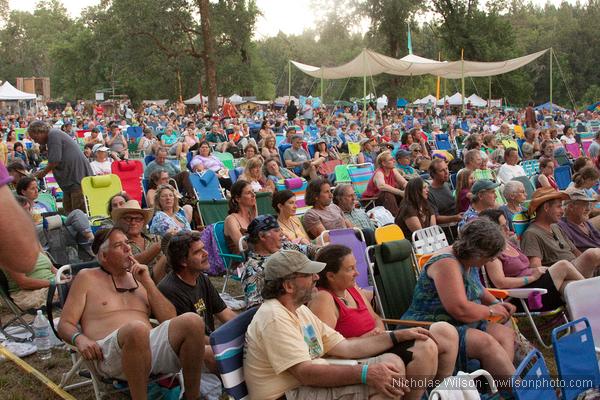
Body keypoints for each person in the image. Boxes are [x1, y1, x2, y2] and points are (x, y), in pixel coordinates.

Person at [244, 249, 440, 400]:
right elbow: (305, 373)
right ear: (288, 286)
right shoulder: (274, 317)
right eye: (308, 274)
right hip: (287, 394)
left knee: (391, 365)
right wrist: (365, 373)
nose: (316, 277)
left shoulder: (298, 309)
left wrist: (396, 336)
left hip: (304, 384)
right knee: (382, 383)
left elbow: (344, 346)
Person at [57, 228, 204, 400]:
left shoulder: (138, 279)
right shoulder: (87, 278)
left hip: (148, 349)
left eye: (128, 243)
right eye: (119, 245)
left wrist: (148, 283)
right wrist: (79, 339)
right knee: (137, 329)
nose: (128, 249)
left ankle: (191, 397)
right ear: (104, 256)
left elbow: (170, 319)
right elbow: (64, 324)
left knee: (193, 321)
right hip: (108, 355)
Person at [309, 244, 458, 382]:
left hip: (380, 343)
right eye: (350, 269)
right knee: (425, 348)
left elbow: (376, 318)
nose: (357, 273)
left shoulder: (351, 289)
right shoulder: (324, 299)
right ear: (331, 276)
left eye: (355, 266)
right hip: (359, 355)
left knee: (446, 331)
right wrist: (362, 339)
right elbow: (324, 349)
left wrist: (378, 330)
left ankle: (441, 391)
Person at [402, 219, 516, 377]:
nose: (492, 260)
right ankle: (515, 388)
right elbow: (459, 309)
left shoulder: (468, 259)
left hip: (459, 322)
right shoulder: (446, 263)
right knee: (486, 343)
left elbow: (476, 287)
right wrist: (490, 311)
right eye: (490, 257)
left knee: (506, 335)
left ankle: (497, 386)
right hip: (434, 324)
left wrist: (496, 303)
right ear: (479, 252)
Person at [158, 230, 236, 373]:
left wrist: (246, 331)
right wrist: (225, 344)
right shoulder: (169, 289)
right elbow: (190, 338)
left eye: (204, 248)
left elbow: (224, 313)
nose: (206, 253)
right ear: (183, 261)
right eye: (198, 252)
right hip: (187, 350)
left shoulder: (201, 278)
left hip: (207, 340)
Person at [480, 208, 584, 312]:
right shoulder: (492, 253)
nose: (508, 229)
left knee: (569, 287)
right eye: (502, 227)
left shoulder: (508, 244)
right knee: (563, 265)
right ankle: (593, 290)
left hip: (536, 286)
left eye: (506, 224)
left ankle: (585, 315)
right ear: (491, 230)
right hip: (525, 296)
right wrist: (531, 278)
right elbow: (500, 283)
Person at [520, 187, 600, 277]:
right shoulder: (531, 234)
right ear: (546, 207)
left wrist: (590, 266)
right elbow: (536, 269)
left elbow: (575, 251)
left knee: (593, 255)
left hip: (579, 270)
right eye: (558, 206)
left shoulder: (555, 226)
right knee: (592, 253)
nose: (562, 211)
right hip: (565, 275)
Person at [241, 215, 317, 308]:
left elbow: (311, 250)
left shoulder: (285, 246)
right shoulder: (253, 270)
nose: (282, 234)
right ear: (262, 236)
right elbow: (256, 308)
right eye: (277, 231)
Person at [29, 120, 93, 213]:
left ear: (39, 132)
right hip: (71, 180)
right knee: (69, 209)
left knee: (78, 211)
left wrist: (43, 173)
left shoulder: (53, 135)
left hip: (76, 178)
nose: (36, 141)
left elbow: (54, 161)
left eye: (35, 138)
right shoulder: (53, 135)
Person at [112, 200, 167, 283]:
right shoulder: (118, 243)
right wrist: (158, 247)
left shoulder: (156, 238)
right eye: (128, 218)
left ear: (143, 222)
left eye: (138, 219)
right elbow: (128, 265)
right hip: (137, 284)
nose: (133, 222)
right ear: (120, 222)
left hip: (166, 281)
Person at [362, 151, 407, 215]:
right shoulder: (379, 173)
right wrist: (400, 192)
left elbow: (404, 182)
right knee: (387, 193)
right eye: (391, 160)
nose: (394, 161)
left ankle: (407, 215)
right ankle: (396, 218)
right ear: (384, 163)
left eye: (393, 159)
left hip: (385, 201)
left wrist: (409, 189)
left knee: (407, 193)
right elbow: (382, 186)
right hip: (371, 201)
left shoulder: (393, 170)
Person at [556, 187, 600, 252]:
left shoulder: (585, 223)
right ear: (571, 207)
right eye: (584, 205)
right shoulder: (562, 226)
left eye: (588, 205)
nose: (588, 209)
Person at [224, 180, 257, 254]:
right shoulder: (231, 220)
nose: (253, 195)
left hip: (258, 256)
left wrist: (255, 216)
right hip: (242, 262)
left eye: (253, 191)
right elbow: (244, 247)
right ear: (237, 199)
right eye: (248, 193)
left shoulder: (251, 217)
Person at [427, 159, 463, 224]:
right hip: (448, 226)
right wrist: (454, 218)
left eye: (446, 168)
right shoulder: (429, 193)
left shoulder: (446, 184)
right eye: (442, 171)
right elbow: (436, 218)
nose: (446, 172)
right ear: (433, 174)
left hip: (458, 220)